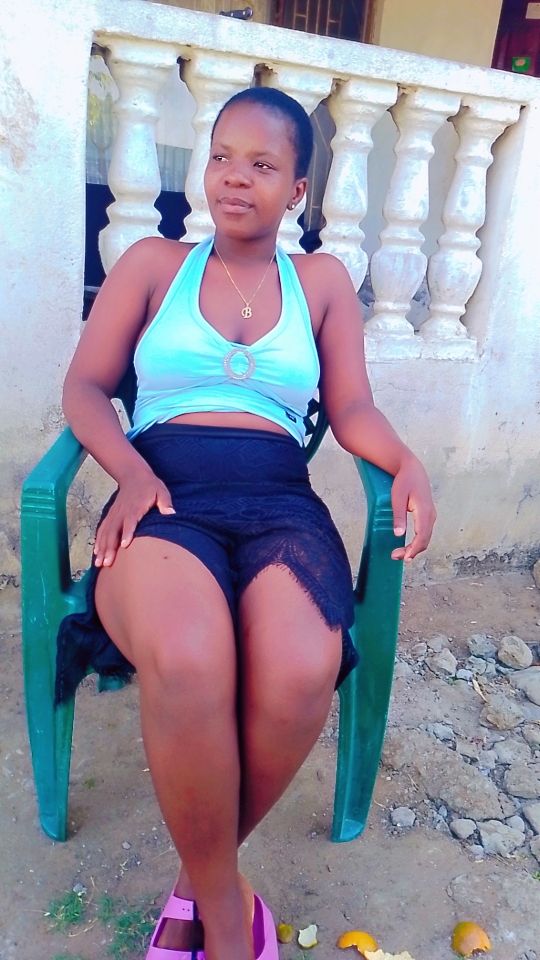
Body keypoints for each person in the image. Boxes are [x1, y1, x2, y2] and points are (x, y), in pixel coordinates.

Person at [59, 87, 436, 960]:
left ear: (297, 190)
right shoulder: (153, 264)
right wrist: (131, 469)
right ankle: (229, 921)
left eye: (261, 165)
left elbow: (352, 409)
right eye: (222, 156)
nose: (234, 177)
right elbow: (84, 387)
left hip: (277, 498)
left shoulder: (323, 283)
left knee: (303, 669)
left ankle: (198, 884)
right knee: (189, 656)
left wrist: (407, 459)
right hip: (163, 488)